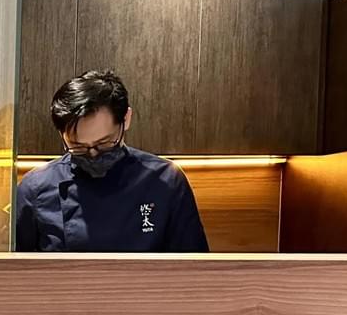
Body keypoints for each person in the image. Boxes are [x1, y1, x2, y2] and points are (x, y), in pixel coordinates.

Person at [15, 70, 209, 252]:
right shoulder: (35, 188)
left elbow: (195, 268)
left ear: (126, 119)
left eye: (104, 143)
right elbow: (16, 273)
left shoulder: (166, 181)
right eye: (78, 146)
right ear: (61, 134)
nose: (92, 154)